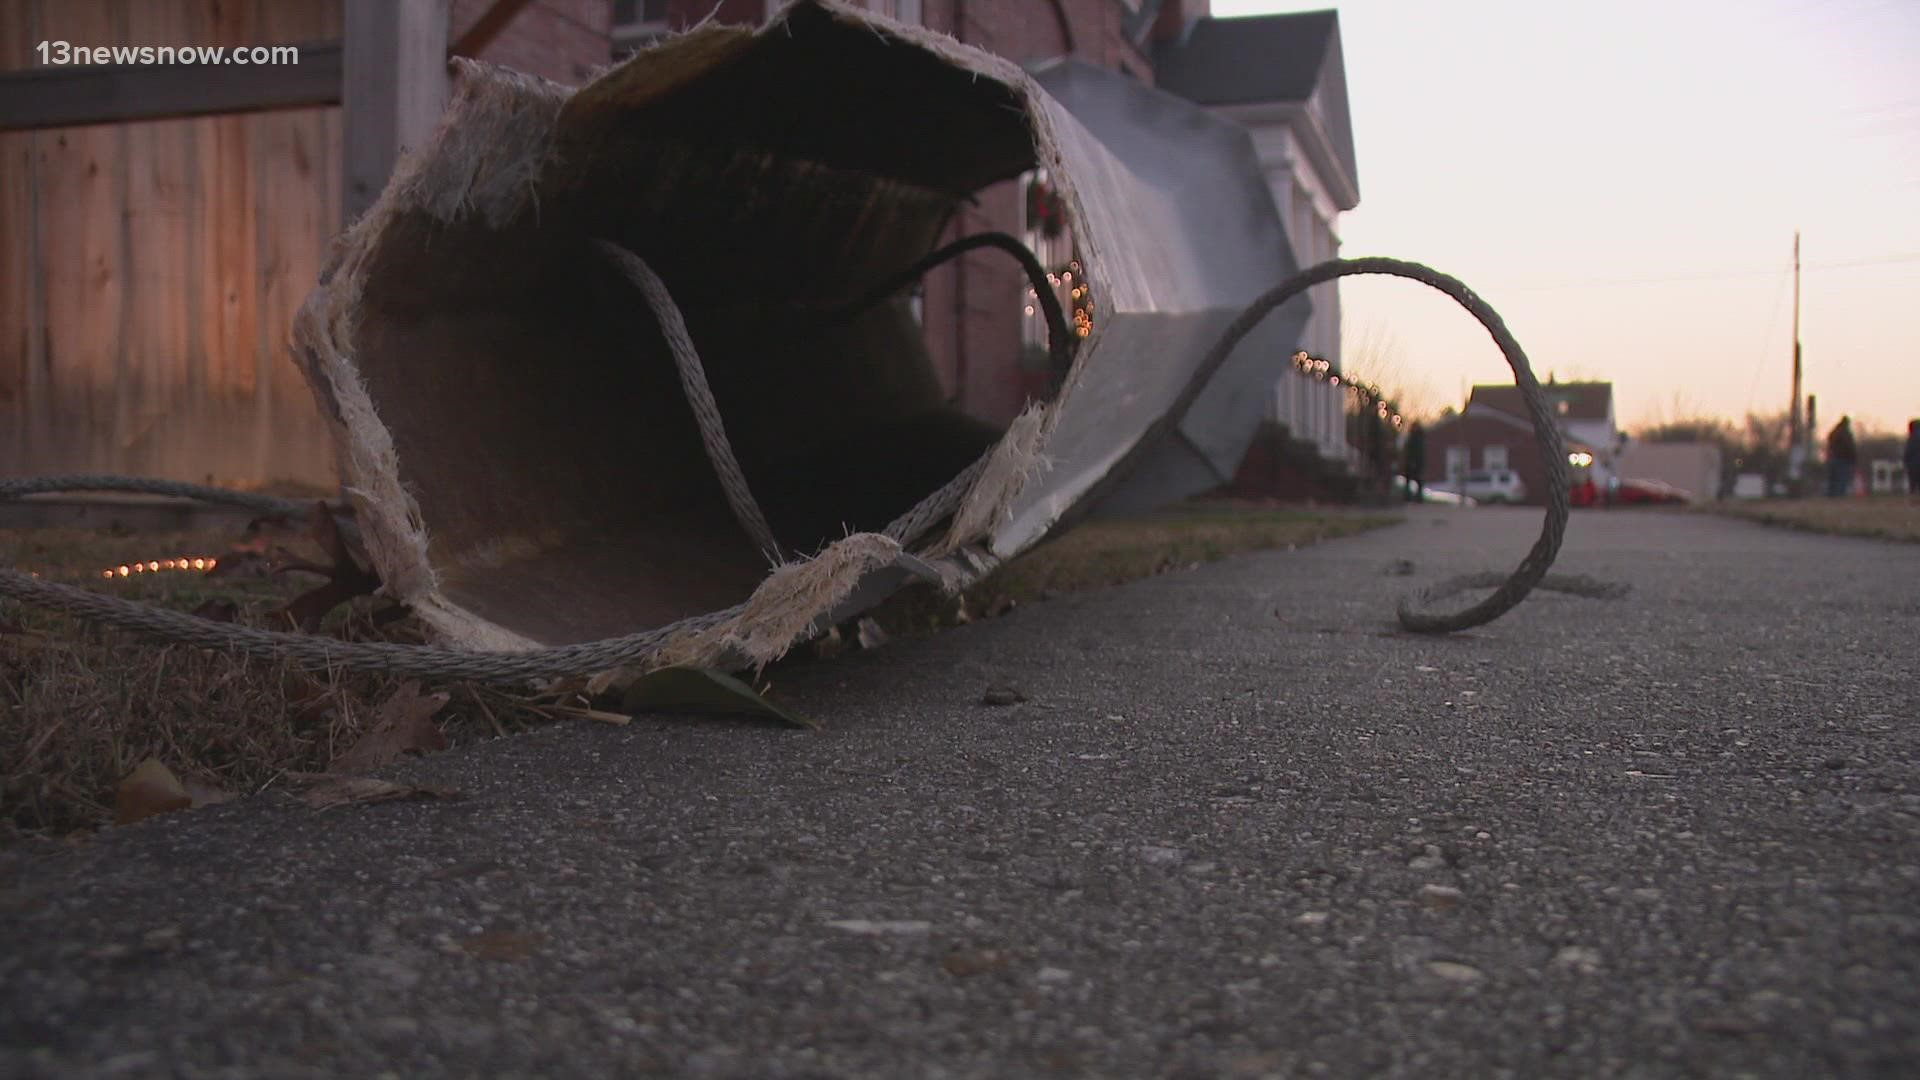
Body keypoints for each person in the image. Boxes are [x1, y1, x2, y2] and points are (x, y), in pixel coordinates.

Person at [1825, 416, 1858, 497]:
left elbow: (1830, 444)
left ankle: (1831, 495)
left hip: (1833, 458)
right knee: (1842, 478)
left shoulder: (1834, 432)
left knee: (1833, 479)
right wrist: (1853, 457)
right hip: (1844, 458)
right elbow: (1849, 446)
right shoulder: (1845, 433)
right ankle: (1839, 495)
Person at [1402, 422, 1427, 502]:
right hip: (1412, 462)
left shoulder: (1417, 438)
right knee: (1410, 480)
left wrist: (1413, 461)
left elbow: (1416, 451)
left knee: (1417, 480)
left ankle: (1417, 497)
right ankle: (1409, 496)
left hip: (1415, 462)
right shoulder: (1413, 437)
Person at [1904, 419, 1920, 497]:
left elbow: (1908, 452)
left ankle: (1913, 501)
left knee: (1913, 486)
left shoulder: (1912, 438)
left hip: (1913, 465)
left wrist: (1905, 462)